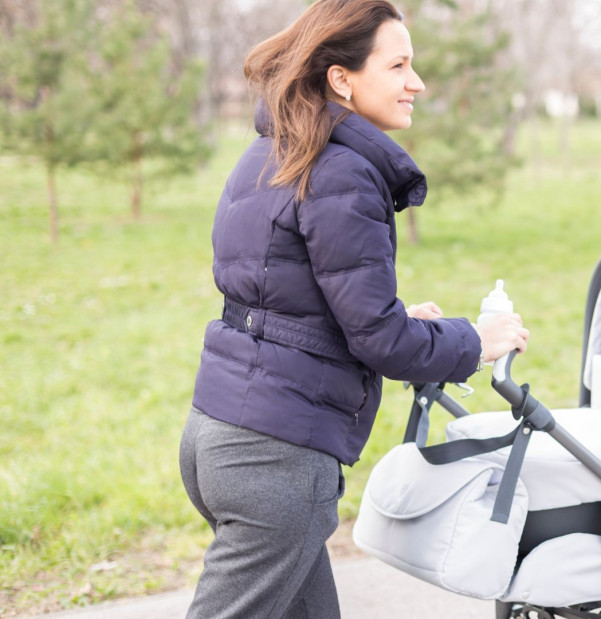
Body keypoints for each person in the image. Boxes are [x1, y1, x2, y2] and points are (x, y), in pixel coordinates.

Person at [178, 1, 529, 616]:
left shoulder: (271, 155)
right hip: (275, 459)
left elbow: (287, 306)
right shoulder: (340, 172)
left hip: (218, 434)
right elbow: (382, 344)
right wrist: (476, 341)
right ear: (341, 79)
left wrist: (409, 325)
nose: (415, 82)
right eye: (398, 65)